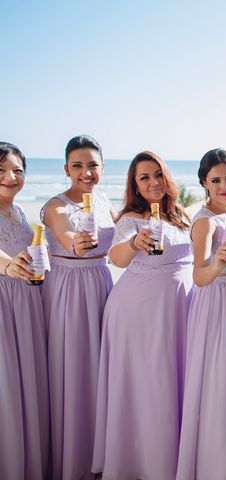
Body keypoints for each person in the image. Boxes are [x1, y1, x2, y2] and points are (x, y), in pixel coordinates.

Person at [92, 151, 193, 480]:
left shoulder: (181, 216)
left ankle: (174, 456)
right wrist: (135, 242)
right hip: (138, 313)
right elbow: (117, 258)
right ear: (135, 185)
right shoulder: (130, 219)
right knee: (148, 384)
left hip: (176, 310)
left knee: (172, 380)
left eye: (157, 174)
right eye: (144, 177)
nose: (153, 182)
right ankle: (143, 463)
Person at [41, 134, 115, 480]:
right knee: (72, 368)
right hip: (69, 290)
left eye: (93, 165)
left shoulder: (103, 201)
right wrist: (77, 242)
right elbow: (66, 232)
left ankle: (98, 456)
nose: (86, 172)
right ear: (66, 169)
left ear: (102, 168)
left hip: (101, 284)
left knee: (100, 368)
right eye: (78, 166)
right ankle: (72, 463)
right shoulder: (56, 205)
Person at [177, 148, 226, 480]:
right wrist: (219, 261)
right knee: (220, 383)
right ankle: (217, 466)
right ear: (205, 184)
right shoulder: (206, 221)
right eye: (216, 180)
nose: (224, 186)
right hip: (217, 303)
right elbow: (199, 276)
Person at [0, 142, 49, 479]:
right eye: (1, 170)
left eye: (17, 170)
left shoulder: (18, 212)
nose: (11, 176)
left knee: (26, 380)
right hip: (4, 303)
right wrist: (6, 267)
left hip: (27, 302)